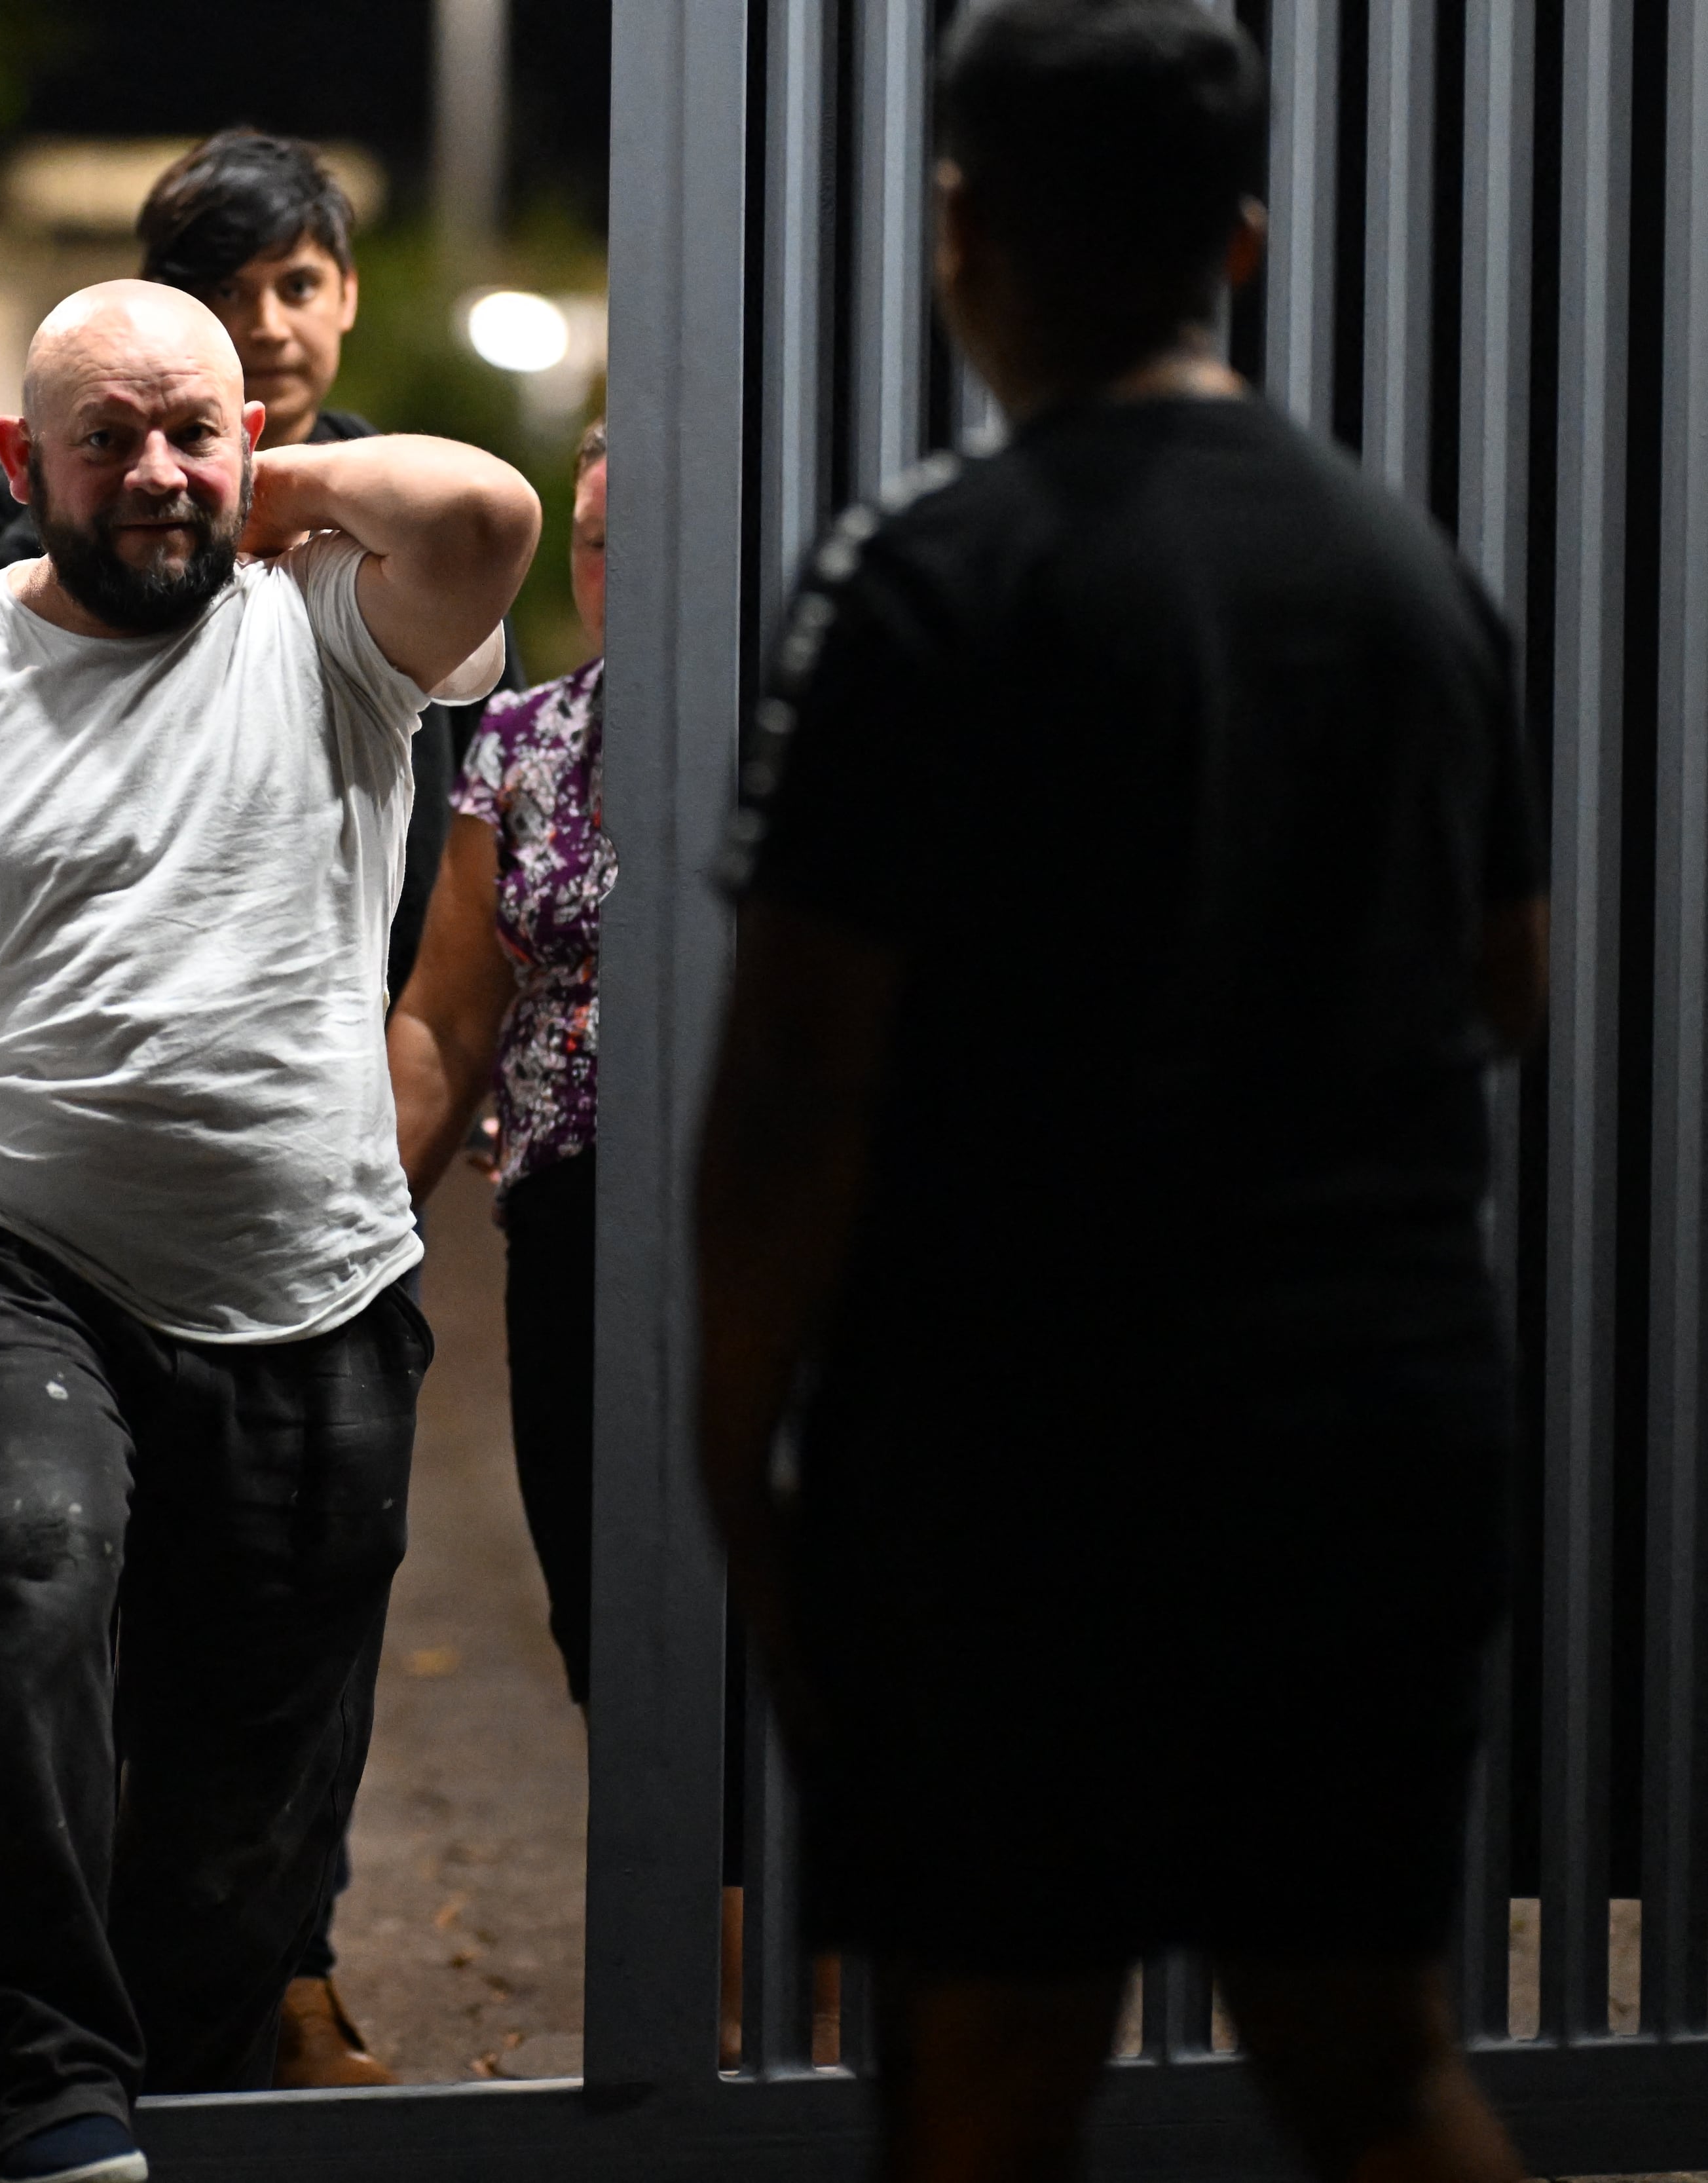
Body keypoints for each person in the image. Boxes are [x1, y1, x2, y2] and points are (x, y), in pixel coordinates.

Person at [692, 7, 1548, 2181]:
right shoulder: (1413, 574)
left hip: (1020, 1442)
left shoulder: (926, 576)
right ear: (1240, 236)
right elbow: (1509, 990)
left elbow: (798, 1070)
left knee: (988, 2073)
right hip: (1376, 1416)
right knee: (1374, 2050)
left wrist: (735, 1434)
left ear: (963, 225)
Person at [0, 281, 538, 2183]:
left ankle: (167, 2083)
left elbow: (489, 515)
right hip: (6, 1249)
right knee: (34, 1570)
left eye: (191, 429)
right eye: (104, 439)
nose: (157, 472)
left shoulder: (332, 633)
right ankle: (38, 2073)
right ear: (19, 466)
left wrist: (258, 477)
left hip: (317, 1275)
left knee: (252, 1752)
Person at [0, 126, 494, 1008]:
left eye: (299, 285)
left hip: (370, 1002)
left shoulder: (402, 505)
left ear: (348, 294)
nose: (268, 325)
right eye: (226, 291)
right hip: (117, 983)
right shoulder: (59, 492)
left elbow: (489, 767)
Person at [387, 417, 610, 1706]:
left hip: (759, 1222)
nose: (619, 574)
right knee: (602, 1615)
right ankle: (680, 1914)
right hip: (570, 1230)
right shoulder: (528, 738)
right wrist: (353, 1239)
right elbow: (447, 1020)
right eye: (594, 544)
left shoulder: (809, 722)